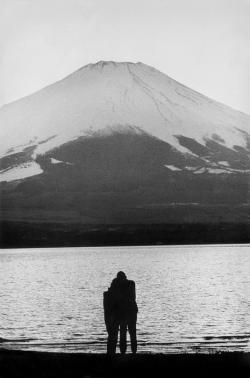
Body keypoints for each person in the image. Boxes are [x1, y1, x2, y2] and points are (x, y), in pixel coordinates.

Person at [103, 271, 138, 354]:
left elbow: (129, 297)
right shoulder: (129, 284)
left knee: (127, 333)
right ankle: (129, 352)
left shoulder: (127, 284)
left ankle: (129, 352)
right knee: (128, 333)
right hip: (126, 312)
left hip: (127, 312)